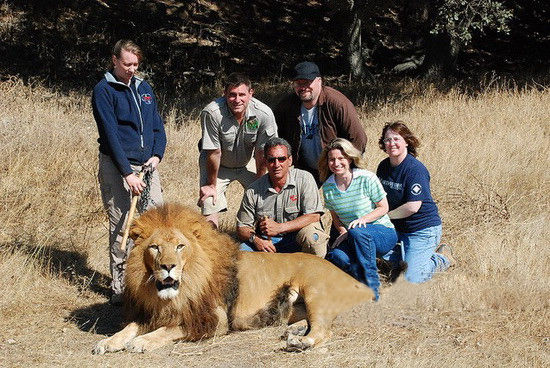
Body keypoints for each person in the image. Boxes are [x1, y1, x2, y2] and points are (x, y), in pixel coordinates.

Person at [92, 39, 166, 305]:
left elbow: (157, 125)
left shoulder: (144, 88)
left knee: (155, 223)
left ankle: (150, 279)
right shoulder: (104, 90)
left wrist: (157, 155)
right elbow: (110, 135)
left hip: (148, 166)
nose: (132, 69)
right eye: (126, 64)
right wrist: (127, 174)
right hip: (118, 166)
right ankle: (121, 287)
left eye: (136, 64)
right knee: (123, 225)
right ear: (114, 61)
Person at [319, 138, 397, 301]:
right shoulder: (328, 187)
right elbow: (335, 216)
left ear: (350, 158)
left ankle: (373, 290)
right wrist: (342, 231)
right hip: (353, 236)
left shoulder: (366, 178)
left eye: (341, 158)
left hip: (382, 233)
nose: (336, 163)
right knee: (337, 256)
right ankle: (357, 287)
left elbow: (384, 207)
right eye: (332, 159)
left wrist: (362, 220)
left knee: (358, 231)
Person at [376, 121, 453, 283]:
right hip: (397, 229)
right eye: (387, 140)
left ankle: (441, 259)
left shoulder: (415, 169)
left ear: (406, 142)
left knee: (411, 279)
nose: (391, 144)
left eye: (396, 139)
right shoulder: (383, 167)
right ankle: (406, 260)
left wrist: (384, 216)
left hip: (421, 230)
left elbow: (413, 207)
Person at [198, 73, 278, 228]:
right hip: (217, 165)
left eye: (242, 95)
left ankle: (255, 237)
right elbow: (214, 152)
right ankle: (210, 241)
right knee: (209, 200)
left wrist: (260, 182)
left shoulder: (263, 113)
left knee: (264, 199)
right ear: (224, 94)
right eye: (232, 95)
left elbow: (263, 153)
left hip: (248, 162)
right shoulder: (212, 112)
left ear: (251, 93)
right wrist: (211, 185)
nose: (237, 100)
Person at [274, 61, 367, 184]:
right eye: (298, 83)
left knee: (340, 202)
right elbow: (277, 135)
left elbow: (358, 138)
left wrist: (344, 164)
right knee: (302, 202)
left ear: (319, 81)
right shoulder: (287, 106)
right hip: (306, 168)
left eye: (307, 82)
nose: (302, 87)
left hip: (336, 166)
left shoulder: (337, 103)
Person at [237, 137, 329, 257]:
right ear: (265, 162)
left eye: (281, 159)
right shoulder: (253, 191)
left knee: (313, 238)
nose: (276, 164)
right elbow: (242, 227)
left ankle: (315, 273)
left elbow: (314, 216)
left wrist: (280, 228)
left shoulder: (305, 179)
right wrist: (257, 240)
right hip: (268, 242)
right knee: (242, 252)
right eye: (271, 160)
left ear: (289, 160)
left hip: (298, 237)